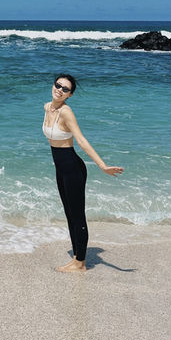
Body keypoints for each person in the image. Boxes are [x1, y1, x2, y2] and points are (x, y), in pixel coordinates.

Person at [43, 74, 123, 272]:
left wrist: (102, 166)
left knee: (77, 215)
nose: (60, 90)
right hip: (60, 169)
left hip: (73, 169)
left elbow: (81, 141)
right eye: (58, 85)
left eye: (65, 89)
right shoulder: (47, 107)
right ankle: (77, 257)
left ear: (70, 95)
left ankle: (81, 262)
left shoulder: (66, 112)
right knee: (69, 213)